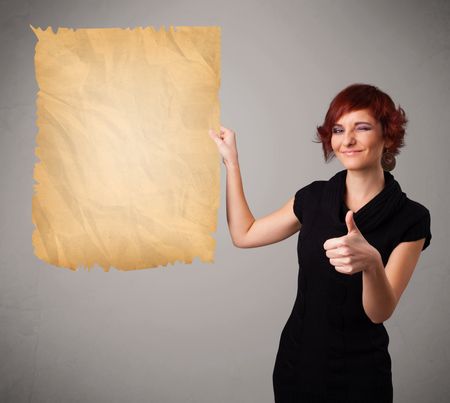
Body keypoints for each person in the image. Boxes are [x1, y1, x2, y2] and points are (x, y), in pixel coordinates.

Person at [208, 83, 432, 403]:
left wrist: (370, 263)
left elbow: (379, 312)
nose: (348, 140)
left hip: (362, 373)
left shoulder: (411, 218)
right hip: (298, 362)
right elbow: (244, 234)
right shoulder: (312, 198)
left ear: (388, 135)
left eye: (363, 127)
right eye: (338, 129)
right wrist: (231, 162)